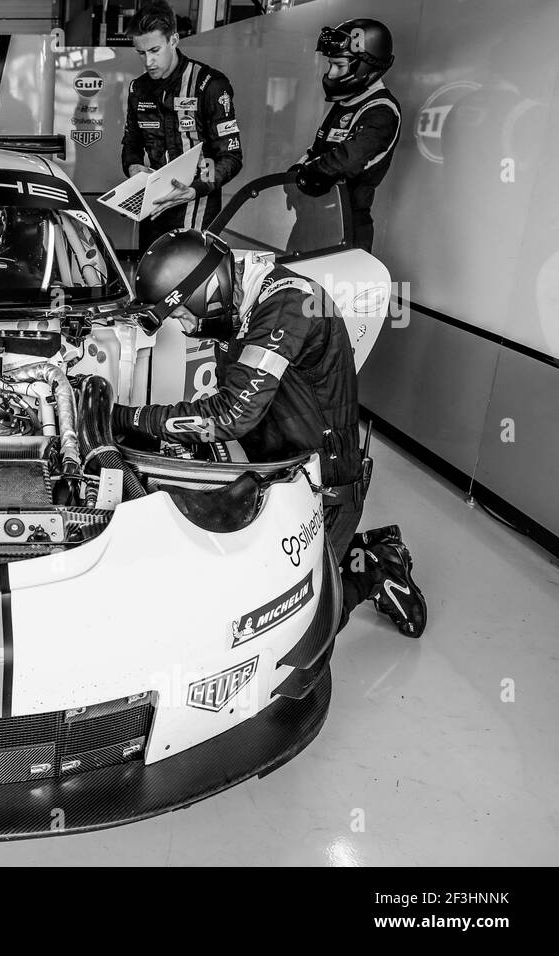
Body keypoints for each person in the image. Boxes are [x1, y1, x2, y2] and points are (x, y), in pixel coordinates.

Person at [113, 229, 426, 637]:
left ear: (208, 290)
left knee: (298, 627)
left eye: (180, 313)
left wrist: (129, 418)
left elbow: (231, 414)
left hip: (323, 485)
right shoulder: (243, 300)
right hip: (275, 468)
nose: (184, 327)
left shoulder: (287, 304)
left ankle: (379, 565)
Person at [121, 0, 243, 254]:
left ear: (174, 40)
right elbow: (131, 145)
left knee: (189, 285)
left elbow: (231, 156)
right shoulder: (138, 88)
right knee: (152, 281)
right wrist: (133, 168)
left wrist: (195, 189)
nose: (148, 61)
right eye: (141, 53)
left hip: (197, 208)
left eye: (155, 50)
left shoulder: (209, 85)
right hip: (153, 207)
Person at [291, 18, 401, 253]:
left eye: (339, 66)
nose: (331, 73)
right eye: (331, 64)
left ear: (364, 66)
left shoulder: (381, 110)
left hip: (345, 230)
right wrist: (294, 174)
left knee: (332, 290)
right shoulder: (347, 102)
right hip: (312, 223)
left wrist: (306, 174)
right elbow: (319, 149)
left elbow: (347, 160)